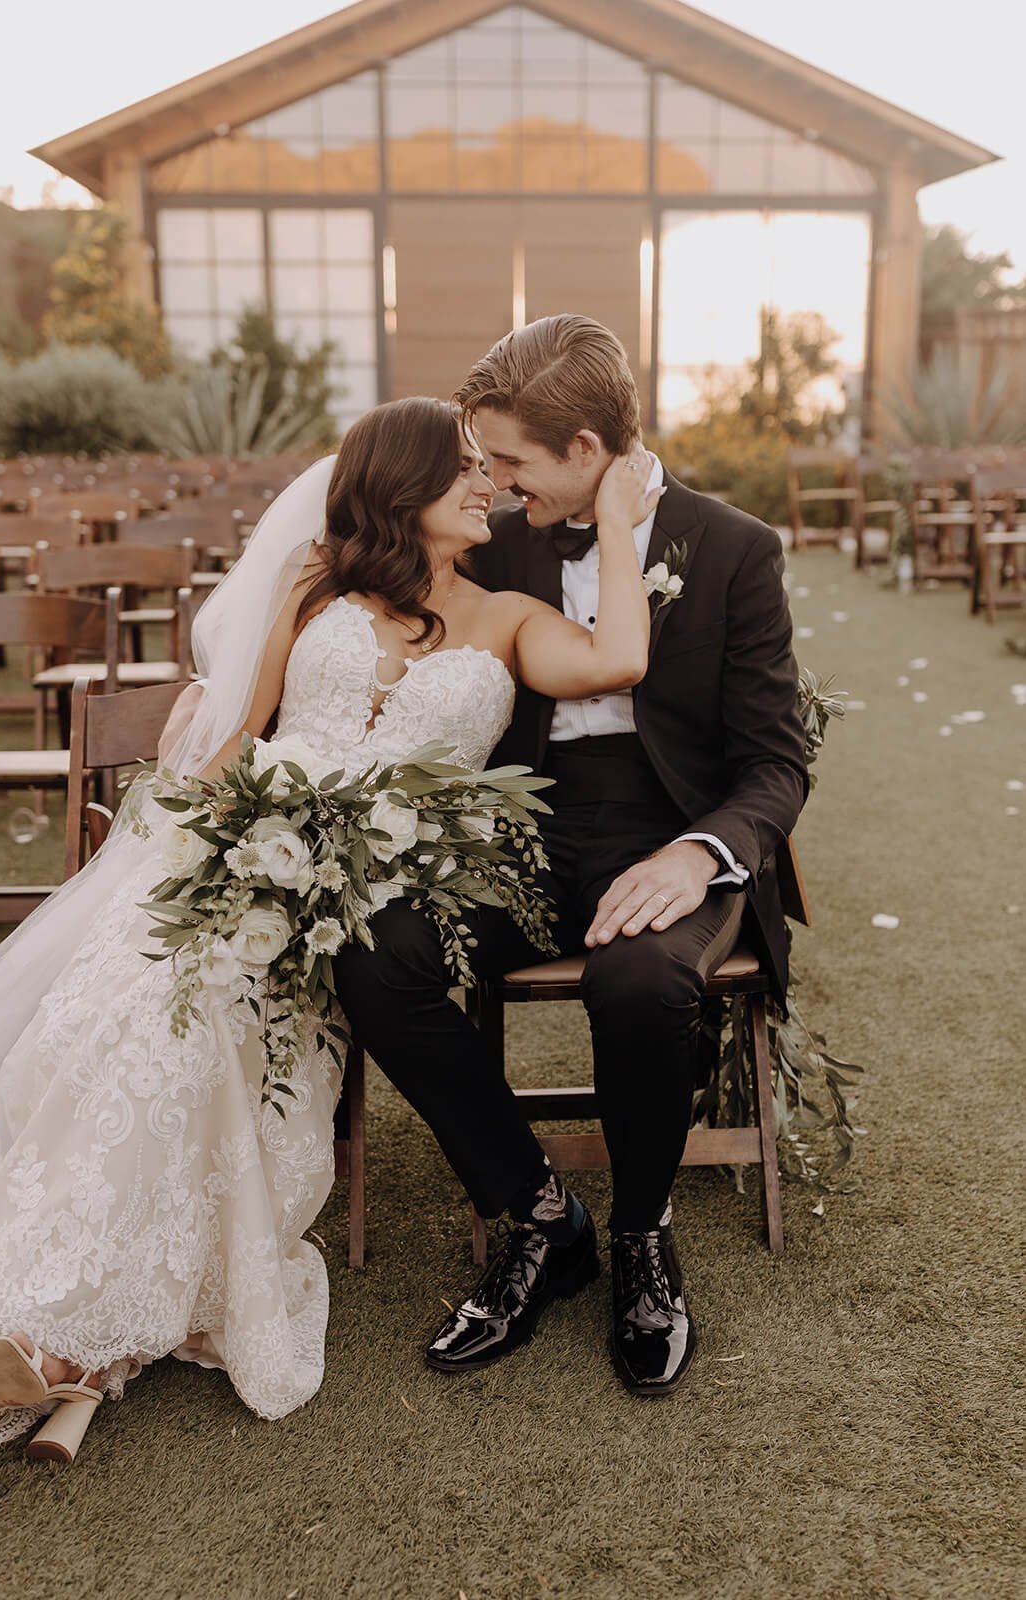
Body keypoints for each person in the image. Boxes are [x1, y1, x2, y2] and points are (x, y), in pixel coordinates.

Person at [0, 395, 657, 1474]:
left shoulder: (510, 618)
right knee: (111, 1012)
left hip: (361, 902)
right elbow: (242, 733)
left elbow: (616, 659)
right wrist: (236, 830)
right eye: (463, 470)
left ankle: (63, 1341)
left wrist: (615, 512)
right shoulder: (313, 585)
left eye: (488, 469)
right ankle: (49, 1327)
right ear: (403, 487)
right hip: (240, 858)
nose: (487, 486)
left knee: (201, 1027)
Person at [333, 317, 809, 1397]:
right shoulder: (487, 539)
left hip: (667, 830)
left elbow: (775, 762)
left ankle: (643, 1232)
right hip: (519, 831)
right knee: (372, 953)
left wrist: (699, 857)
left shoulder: (732, 548)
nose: (491, 482)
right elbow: (361, 602)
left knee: (639, 978)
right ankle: (541, 1212)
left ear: (587, 450)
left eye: (509, 461)